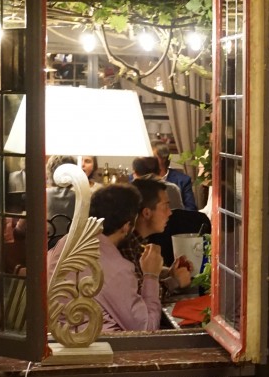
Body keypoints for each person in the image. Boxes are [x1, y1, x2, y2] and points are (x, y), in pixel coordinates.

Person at [46, 183, 164, 332]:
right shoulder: (117, 268)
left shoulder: (66, 241)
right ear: (126, 226)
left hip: (54, 341)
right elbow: (147, 329)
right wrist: (151, 275)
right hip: (99, 349)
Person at [118, 178, 194, 301]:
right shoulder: (126, 245)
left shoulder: (137, 241)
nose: (170, 213)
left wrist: (169, 272)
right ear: (147, 213)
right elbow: (139, 296)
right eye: (166, 206)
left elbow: (142, 275)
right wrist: (174, 281)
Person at [155, 142, 197, 210]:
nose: (148, 160)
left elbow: (191, 209)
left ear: (164, 158)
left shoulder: (183, 180)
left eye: (152, 157)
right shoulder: (139, 178)